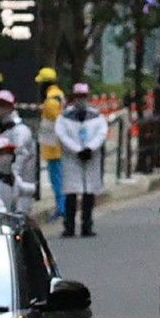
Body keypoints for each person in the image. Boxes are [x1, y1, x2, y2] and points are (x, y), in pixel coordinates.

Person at [54, 83, 108, 238]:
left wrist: (90, 148)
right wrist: (77, 150)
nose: (81, 100)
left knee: (88, 192)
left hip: (91, 157)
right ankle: (69, 226)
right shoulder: (64, 117)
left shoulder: (97, 116)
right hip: (72, 159)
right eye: (78, 97)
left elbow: (101, 133)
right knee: (71, 192)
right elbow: (62, 135)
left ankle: (87, 226)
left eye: (83, 97)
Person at [0, 93, 38, 219]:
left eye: (4, 105)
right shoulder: (4, 129)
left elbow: (18, 158)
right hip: (5, 185)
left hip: (19, 187)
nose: (0, 108)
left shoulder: (20, 131)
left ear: (12, 106)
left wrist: (13, 178)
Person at [36, 67, 67, 224]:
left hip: (54, 146)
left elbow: (57, 122)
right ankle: (62, 207)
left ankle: (62, 208)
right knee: (59, 178)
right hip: (56, 144)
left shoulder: (50, 101)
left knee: (57, 179)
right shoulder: (58, 95)